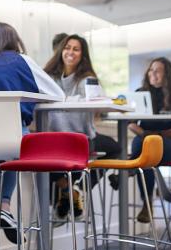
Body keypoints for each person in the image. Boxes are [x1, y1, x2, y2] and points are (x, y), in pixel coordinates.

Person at [0, 22, 63, 242]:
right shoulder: (22, 61)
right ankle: (5, 206)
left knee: (4, 143)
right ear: (15, 40)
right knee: (13, 140)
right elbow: (57, 94)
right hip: (13, 141)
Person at [43, 34, 120, 219]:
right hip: (54, 138)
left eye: (76, 49)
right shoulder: (49, 76)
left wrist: (62, 99)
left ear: (82, 55)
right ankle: (71, 191)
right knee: (44, 157)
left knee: (117, 149)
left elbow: (95, 99)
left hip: (80, 139)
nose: (70, 52)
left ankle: (76, 189)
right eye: (67, 47)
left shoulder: (87, 79)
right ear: (61, 50)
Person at [129, 57, 171, 223]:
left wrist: (157, 136)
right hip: (145, 142)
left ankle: (130, 169)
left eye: (157, 70)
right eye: (150, 70)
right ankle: (147, 204)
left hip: (170, 145)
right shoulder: (140, 94)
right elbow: (131, 124)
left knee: (145, 151)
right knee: (146, 151)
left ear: (166, 74)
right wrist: (148, 136)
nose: (152, 73)